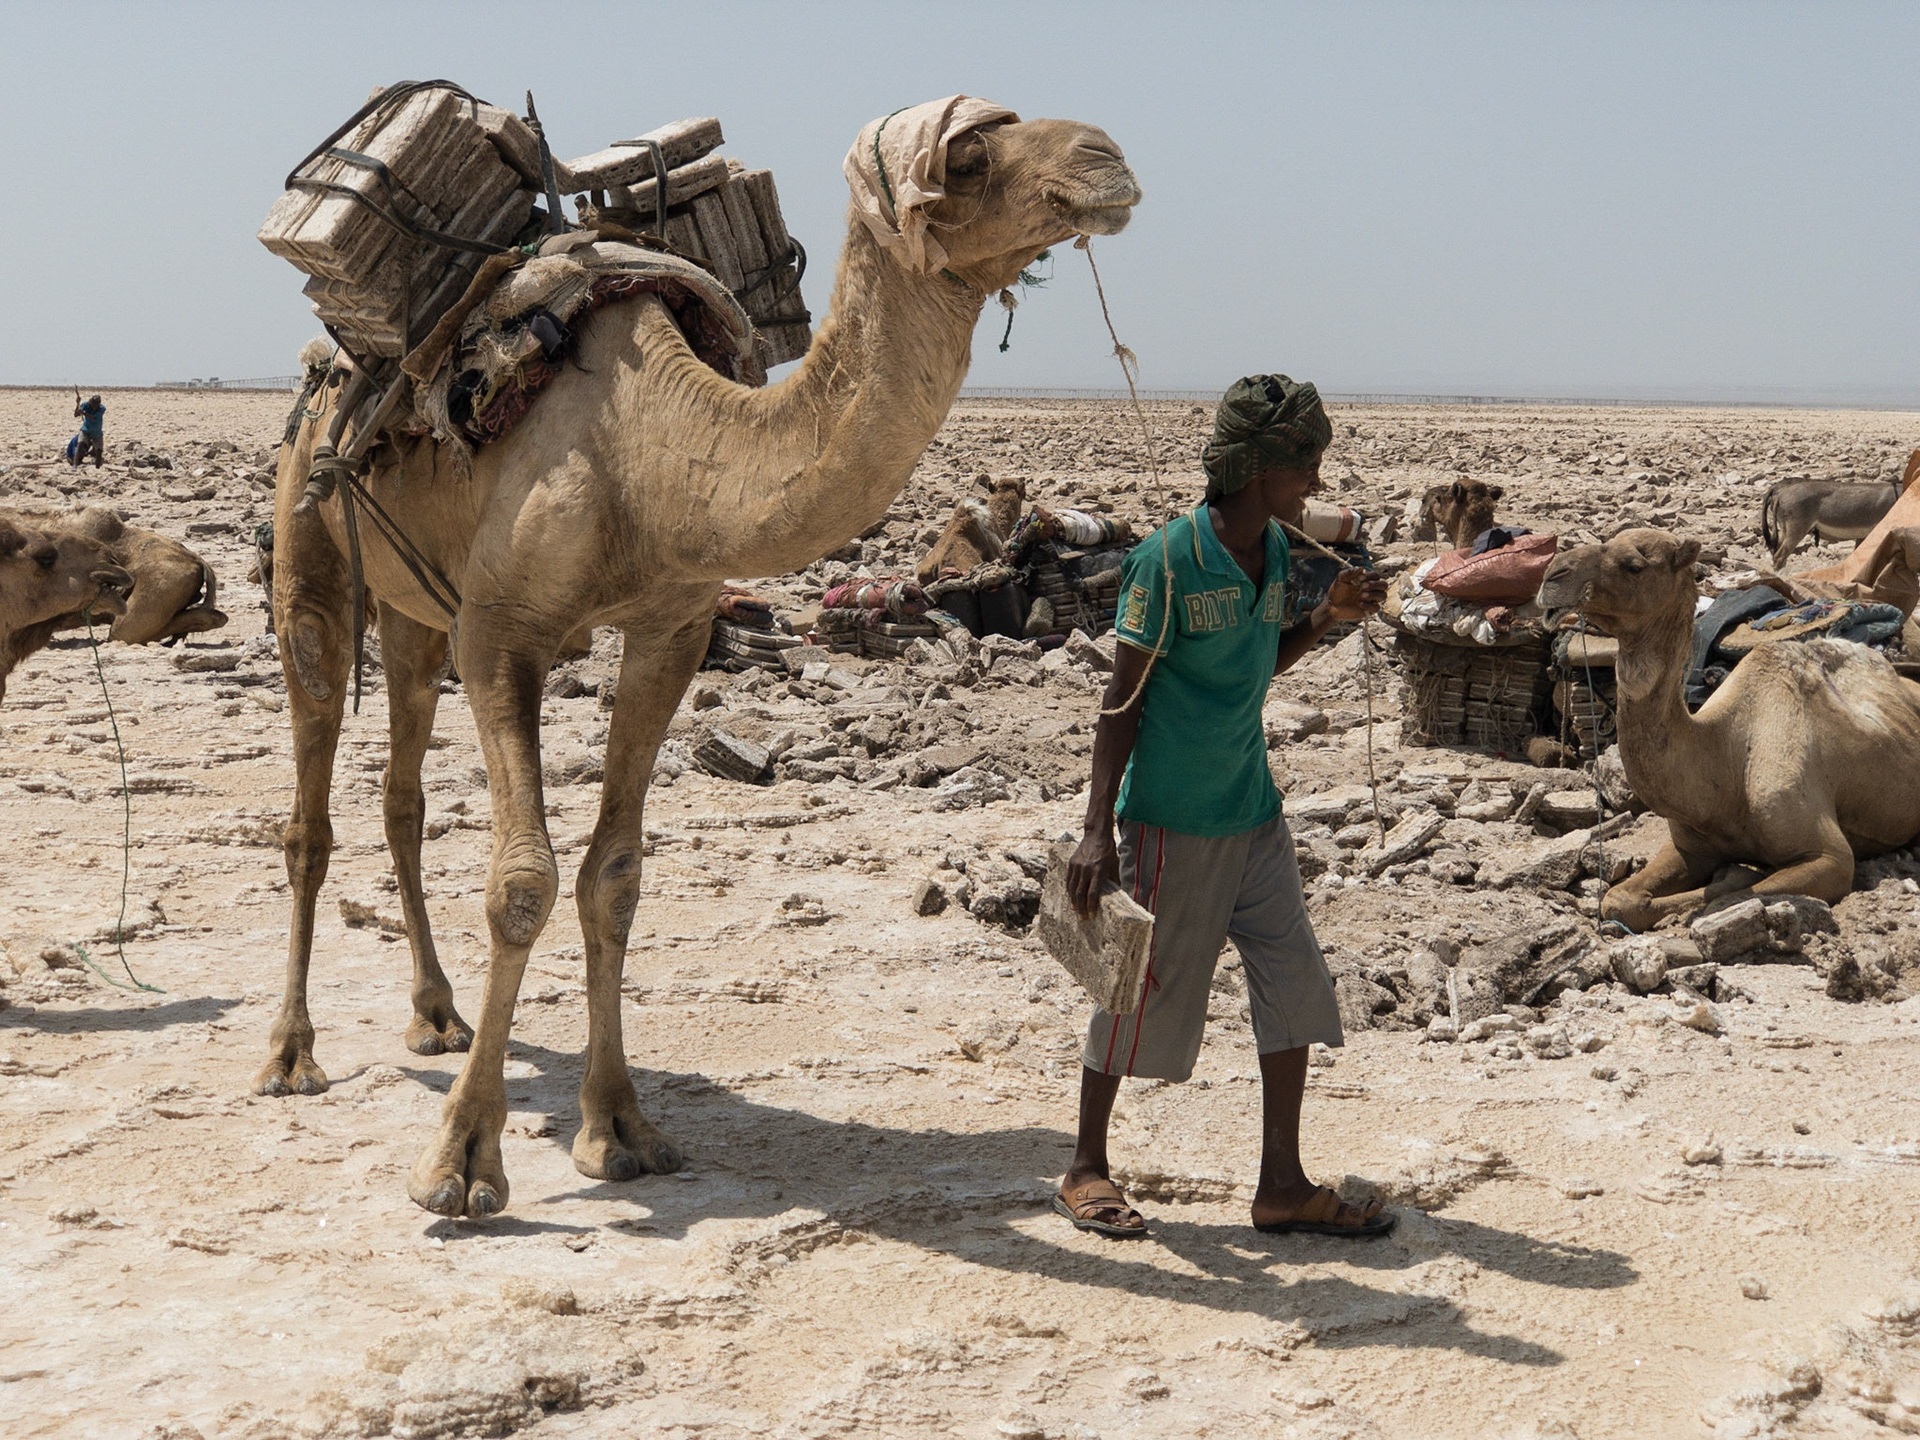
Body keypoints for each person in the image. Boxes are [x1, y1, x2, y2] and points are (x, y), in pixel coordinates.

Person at [1055, 373, 1392, 1241]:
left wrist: (1324, 619)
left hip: (1254, 813)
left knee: (1292, 984)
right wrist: (1099, 831)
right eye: (1303, 466)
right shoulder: (1165, 561)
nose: (1315, 483)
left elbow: (1256, 664)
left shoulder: (1276, 555)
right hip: (1175, 819)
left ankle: (1281, 1184)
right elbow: (1120, 703)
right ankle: (1086, 1166)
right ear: (1257, 470)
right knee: (1141, 989)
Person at [73, 394, 106, 468]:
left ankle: (98, 467)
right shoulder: (86, 405)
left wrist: (84, 413)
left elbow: (93, 418)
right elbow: (76, 414)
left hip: (96, 431)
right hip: (86, 429)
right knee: (80, 444)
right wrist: (77, 404)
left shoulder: (102, 408)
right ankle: (75, 465)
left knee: (99, 451)